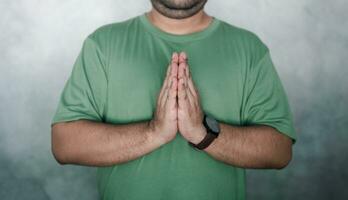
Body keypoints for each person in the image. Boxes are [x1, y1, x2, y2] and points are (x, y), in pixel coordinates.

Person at [51, 0, 297, 199]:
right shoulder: (102, 45)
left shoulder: (249, 49)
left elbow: (279, 152)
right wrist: (154, 132)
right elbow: (64, 145)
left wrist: (203, 134)